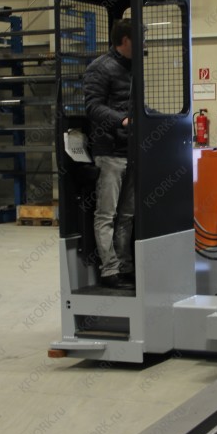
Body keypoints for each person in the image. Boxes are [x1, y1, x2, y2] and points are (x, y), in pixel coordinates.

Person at [83, 19, 135, 290]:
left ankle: (124, 267)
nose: (144, 44)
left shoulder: (133, 68)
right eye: (139, 38)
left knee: (127, 215)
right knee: (107, 215)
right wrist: (122, 120)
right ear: (125, 40)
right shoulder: (100, 68)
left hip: (132, 151)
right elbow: (92, 107)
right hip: (110, 153)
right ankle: (109, 271)